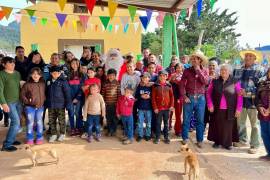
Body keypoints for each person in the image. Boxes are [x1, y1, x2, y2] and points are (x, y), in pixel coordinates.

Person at [233, 50, 265, 154]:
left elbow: (261, 87)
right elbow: (233, 83)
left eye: (250, 56)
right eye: (246, 56)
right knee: (240, 123)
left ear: (255, 58)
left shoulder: (260, 70)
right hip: (240, 101)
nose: (248, 58)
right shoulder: (238, 69)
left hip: (253, 102)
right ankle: (242, 140)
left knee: (254, 124)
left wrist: (246, 91)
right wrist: (237, 91)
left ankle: (255, 145)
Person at [207, 64, 242, 150]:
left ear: (229, 71)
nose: (223, 71)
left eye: (225, 70)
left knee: (228, 126)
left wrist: (238, 109)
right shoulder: (214, 81)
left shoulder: (235, 81)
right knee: (217, 125)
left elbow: (240, 95)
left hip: (231, 108)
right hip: (217, 108)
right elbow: (208, 93)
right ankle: (217, 142)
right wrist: (210, 104)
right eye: (222, 69)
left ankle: (228, 143)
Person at [180, 50, 209, 148]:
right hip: (189, 98)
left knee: (200, 120)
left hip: (201, 99)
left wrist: (198, 70)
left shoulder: (205, 70)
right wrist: (184, 96)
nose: (194, 60)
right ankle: (185, 138)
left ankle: (200, 140)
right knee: (186, 119)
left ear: (200, 60)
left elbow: (205, 81)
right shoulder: (187, 70)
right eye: (193, 58)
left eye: (196, 58)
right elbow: (182, 84)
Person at [0, 57, 22, 152]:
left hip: (18, 101)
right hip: (9, 102)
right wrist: (3, 103)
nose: (13, 64)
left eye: (13, 63)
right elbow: (0, 90)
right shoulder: (1, 74)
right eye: (10, 63)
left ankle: (11, 139)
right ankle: (7, 144)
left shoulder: (17, 74)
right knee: (16, 122)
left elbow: (19, 86)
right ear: (4, 64)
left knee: (16, 122)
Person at [46, 66, 72, 143]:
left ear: (60, 73)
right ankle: (53, 134)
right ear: (51, 73)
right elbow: (46, 92)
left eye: (57, 73)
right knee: (51, 120)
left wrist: (68, 103)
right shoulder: (48, 81)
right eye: (53, 73)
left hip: (60, 105)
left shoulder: (63, 81)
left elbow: (67, 93)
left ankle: (62, 133)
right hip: (51, 105)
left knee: (61, 120)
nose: (55, 74)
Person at [20, 67, 46, 145]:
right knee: (30, 123)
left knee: (39, 122)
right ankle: (30, 138)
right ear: (31, 75)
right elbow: (22, 95)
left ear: (40, 75)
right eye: (34, 74)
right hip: (29, 107)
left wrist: (44, 99)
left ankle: (39, 137)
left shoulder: (42, 84)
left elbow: (44, 94)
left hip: (40, 107)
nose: (36, 75)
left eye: (37, 74)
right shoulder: (27, 84)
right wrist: (27, 101)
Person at [152, 70, 174, 144]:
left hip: (167, 108)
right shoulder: (155, 86)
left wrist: (171, 106)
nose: (162, 77)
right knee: (158, 123)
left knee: (166, 123)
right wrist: (155, 107)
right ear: (158, 77)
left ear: (167, 77)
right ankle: (157, 137)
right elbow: (153, 98)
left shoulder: (169, 85)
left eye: (164, 76)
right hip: (158, 109)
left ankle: (166, 137)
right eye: (161, 76)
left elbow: (172, 96)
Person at [101, 68, 121, 136]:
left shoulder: (117, 83)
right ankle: (109, 130)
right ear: (107, 75)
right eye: (109, 75)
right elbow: (103, 94)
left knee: (114, 118)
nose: (111, 76)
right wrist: (104, 102)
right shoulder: (105, 84)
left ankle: (114, 130)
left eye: (113, 75)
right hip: (107, 104)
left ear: (115, 76)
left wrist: (118, 103)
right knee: (108, 118)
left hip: (115, 104)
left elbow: (119, 94)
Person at [256, 68, 270, 160]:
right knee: (264, 133)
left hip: (268, 111)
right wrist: (260, 107)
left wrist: (269, 109)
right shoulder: (262, 83)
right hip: (263, 113)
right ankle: (269, 153)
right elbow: (257, 97)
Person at [68, 58, 84, 136]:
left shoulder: (82, 75)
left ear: (78, 65)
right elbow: (66, 87)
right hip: (70, 98)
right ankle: (72, 128)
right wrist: (70, 98)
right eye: (73, 63)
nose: (74, 65)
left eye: (76, 63)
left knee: (78, 113)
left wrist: (77, 98)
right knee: (71, 113)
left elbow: (83, 88)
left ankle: (79, 128)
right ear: (70, 65)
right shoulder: (68, 74)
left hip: (79, 98)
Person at [135, 72, 153, 142]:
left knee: (148, 123)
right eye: (143, 77)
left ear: (149, 78)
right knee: (140, 122)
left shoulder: (151, 87)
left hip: (149, 108)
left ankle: (148, 135)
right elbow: (136, 96)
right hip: (140, 108)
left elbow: (154, 96)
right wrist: (141, 96)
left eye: (146, 77)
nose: (144, 79)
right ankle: (140, 135)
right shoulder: (139, 86)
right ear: (141, 79)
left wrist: (149, 97)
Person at [169, 63, 184, 136]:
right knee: (169, 113)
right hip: (171, 97)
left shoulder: (184, 76)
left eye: (180, 68)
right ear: (175, 68)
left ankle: (178, 130)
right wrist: (172, 79)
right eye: (177, 67)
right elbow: (168, 84)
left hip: (179, 97)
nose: (179, 69)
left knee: (178, 114)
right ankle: (168, 127)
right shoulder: (172, 75)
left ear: (182, 69)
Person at [204, 60, 219, 129]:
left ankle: (212, 130)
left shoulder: (219, 77)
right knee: (204, 115)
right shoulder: (204, 75)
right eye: (210, 65)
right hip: (204, 99)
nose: (211, 67)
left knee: (213, 115)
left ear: (217, 67)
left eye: (213, 65)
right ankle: (203, 129)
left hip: (215, 99)